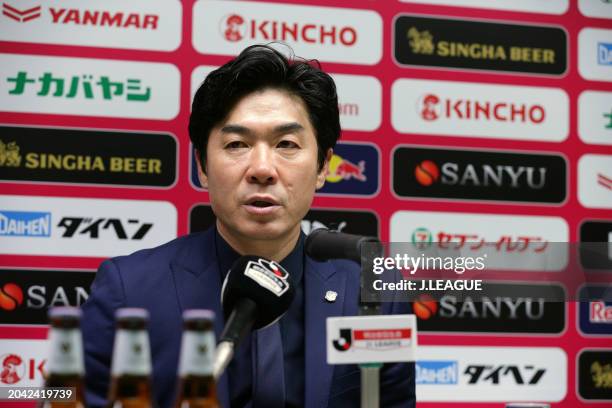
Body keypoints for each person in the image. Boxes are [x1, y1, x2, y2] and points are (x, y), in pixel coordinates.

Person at [81, 44, 416, 408]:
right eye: (237, 144)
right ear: (202, 166)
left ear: (323, 167)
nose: (262, 169)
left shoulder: (373, 295)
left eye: (286, 144)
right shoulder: (130, 290)